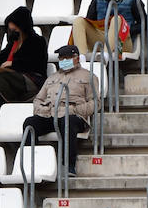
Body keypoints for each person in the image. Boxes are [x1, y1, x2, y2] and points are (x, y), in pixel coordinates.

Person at [23, 44, 96, 177]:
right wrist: (43, 110)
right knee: (30, 123)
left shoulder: (88, 76)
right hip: (50, 114)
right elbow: (38, 99)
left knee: (67, 122)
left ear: (76, 58)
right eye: (61, 58)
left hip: (73, 115)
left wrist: (76, 110)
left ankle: (68, 165)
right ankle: (31, 163)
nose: (63, 61)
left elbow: (95, 102)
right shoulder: (52, 77)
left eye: (67, 58)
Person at [0, 6, 47, 122]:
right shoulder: (14, 42)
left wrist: (13, 63)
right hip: (12, 79)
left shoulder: (38, 41)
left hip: (32, 80)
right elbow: (1, 56)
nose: (12, 30)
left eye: (15, 27)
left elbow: (35, 64)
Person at [73, 0, 143, 56]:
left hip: (122, 40)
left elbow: (144, 23)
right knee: (79, 21)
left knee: (117, 19)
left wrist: (128, 29)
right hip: (102, 37)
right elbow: (89, 20)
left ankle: (106, 56)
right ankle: (81, 57)